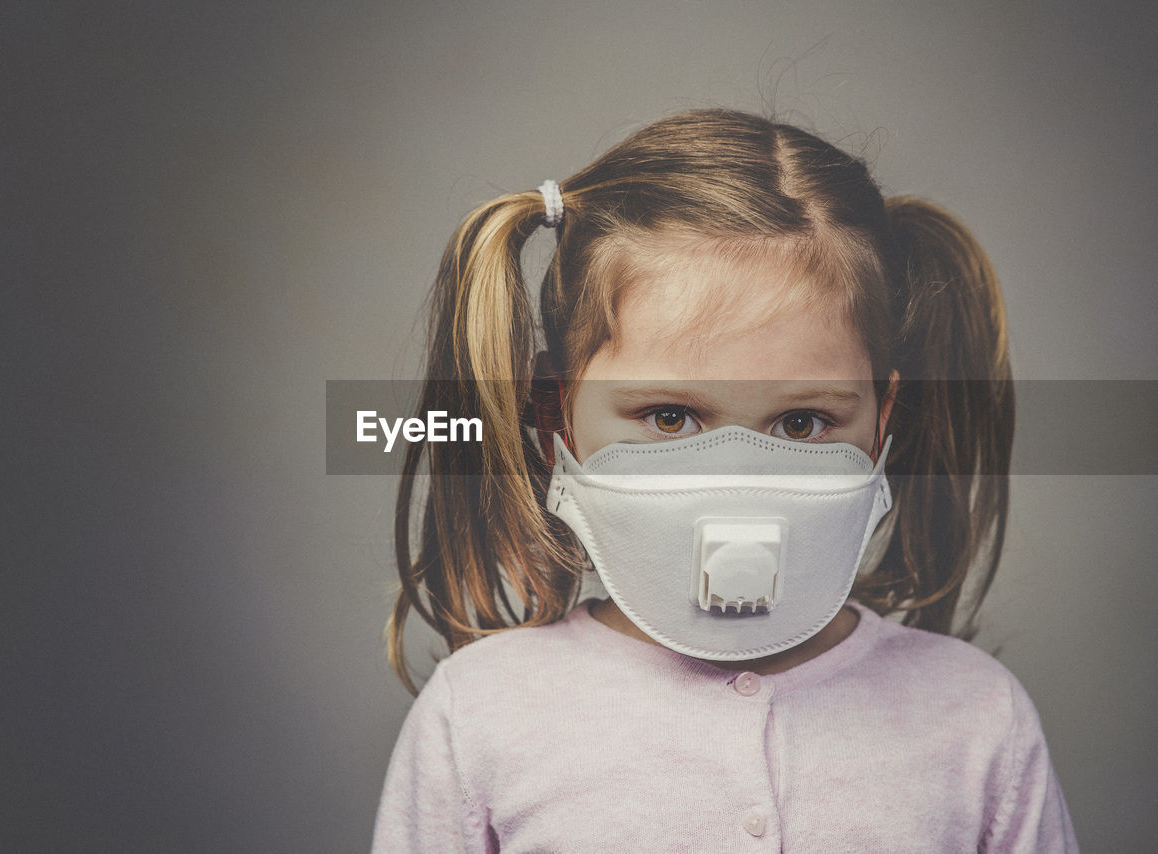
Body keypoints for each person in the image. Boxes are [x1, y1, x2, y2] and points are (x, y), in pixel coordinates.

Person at [371, 107, 1078, 852]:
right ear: (555, 415)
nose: (737, 478)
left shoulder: (975, 718)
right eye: (670, 417)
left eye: (802, 423)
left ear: (882, 417)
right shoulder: (481, 714)